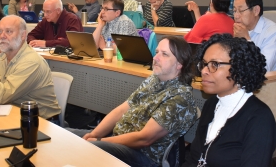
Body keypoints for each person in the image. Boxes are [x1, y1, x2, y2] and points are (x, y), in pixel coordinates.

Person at [68, 36, 198, 167]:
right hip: (119, 137)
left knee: (87, 148)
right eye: (157, 52)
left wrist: (100, 140)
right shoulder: (154, 79)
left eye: (164, 54)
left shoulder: (181, 98)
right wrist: (93, 134)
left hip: (142, 155)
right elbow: (121, 110)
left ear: (179, 64)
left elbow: (144, 138)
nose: (156, 58)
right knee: (65, 134)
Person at [182, 34, 276, 167]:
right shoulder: (212, 104)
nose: (204, 71)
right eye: (204, 64)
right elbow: (194, 159)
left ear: (239, 69)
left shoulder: (259, 118)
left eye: (214, 64)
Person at [233, 0, 276, 72]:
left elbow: (263, 69)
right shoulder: (240, 29)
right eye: (234, 11)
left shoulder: (273, 32)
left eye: (240, 11)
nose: (236, 16)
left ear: (256, 10)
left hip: (270, 82)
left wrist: (246, 40)